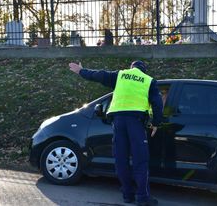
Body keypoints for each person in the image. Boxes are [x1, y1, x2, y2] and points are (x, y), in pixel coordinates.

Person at [69, 60, 163, 206]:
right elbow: (157, 103)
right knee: (140, 160)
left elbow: (98, 75)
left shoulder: (120, 75)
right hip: (136, 122)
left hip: (118, 122)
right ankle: (143, 198)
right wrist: (156, 123)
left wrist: (81, 71)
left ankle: (127, 195)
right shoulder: (148, 81)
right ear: (144, 70)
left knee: (121, 159)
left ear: (131, 68)